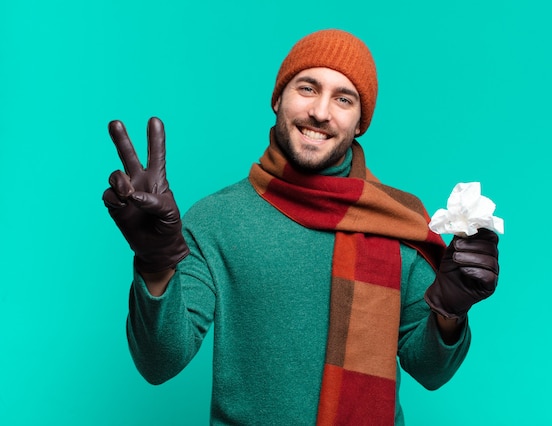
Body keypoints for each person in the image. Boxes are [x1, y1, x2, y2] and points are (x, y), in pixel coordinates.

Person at [103, 29, 499, 425]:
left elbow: (430, 370)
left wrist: (450, 312)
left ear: (360, 122)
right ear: (278, 98)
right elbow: (160, 363)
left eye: (344, 99)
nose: (321, 112)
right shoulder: (216, 220)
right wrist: (156, 265)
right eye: (308, 88)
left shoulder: (399, 219)